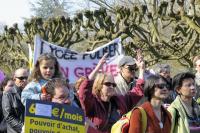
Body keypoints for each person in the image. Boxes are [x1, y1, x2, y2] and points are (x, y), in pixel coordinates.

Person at [78, 53, 145, 132]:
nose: (112, 87)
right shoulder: (92, 103)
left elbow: (137, 91)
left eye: (113, 85)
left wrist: (141, 70)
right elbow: (84, 90)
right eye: (108, 84)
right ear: (99, 86)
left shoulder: (120, 101)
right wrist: (97, 68)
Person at [2, 68, 29, 133]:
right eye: (21, 78)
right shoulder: (8, 94)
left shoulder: (32, 93)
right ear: (14, 79)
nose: (24, 80)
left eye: (26, 78)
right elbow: (8, 116)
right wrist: (23, 128)